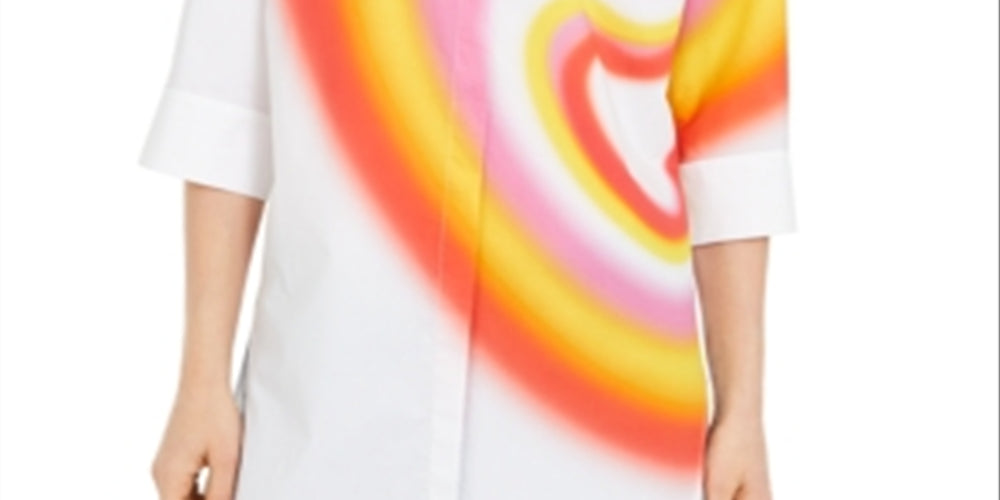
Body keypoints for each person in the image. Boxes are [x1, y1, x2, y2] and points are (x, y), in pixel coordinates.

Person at [138, 0, 797, 499]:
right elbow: (225, 104)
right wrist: (201, 380)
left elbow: (730, 147)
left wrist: (743, 410)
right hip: (328, 402)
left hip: (604, 429)